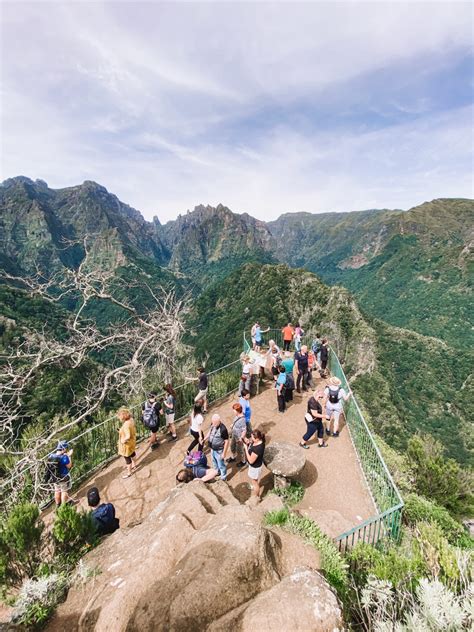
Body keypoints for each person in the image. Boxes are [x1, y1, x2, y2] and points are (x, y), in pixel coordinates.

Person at [46, 440, 73, 508]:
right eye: (66, 448)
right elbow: (69, 466)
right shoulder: (64, 457)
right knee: (64, 491)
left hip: (55, 478)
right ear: (63, 448)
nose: (66, 449)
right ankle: (64, 506)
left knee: (57, 490)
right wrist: (69, 456)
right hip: (63, 477)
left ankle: (58, 505)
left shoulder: (51, 456)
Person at [243, 429, 266, 499]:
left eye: (252, 437)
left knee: (255, 482)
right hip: (256, 465)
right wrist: (249, 442)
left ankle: (257, 497)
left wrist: (246, 449)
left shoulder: (258, 449)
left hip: (255, 467)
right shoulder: (259, 441)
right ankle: (254, 486)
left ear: (257, 439)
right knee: (254, 480)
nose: (251, 438)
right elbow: (252, 443)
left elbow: (251, 461)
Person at [206, 414, 229, 481]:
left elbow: (227, 441)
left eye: (215, 423)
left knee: (221, 464)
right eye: (212, 422)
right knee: (214, 462)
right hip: (212, 449)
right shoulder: (213, 424)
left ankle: (223, 477)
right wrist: (204, 439)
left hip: (219, 450)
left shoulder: (223, 429)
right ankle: (217, 472)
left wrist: (224, 453)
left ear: (219, 421)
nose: (213, 424)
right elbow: (210, 432)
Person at [117, 408, 137, 478]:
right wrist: (121, 430)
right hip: (132, 442)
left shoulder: (126, 425)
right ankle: (135, 465)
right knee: (133, 453)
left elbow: (128, 436)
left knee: (127, 459)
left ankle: (129, 472)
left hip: (127, 445)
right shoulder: (131, 420)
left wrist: (123, 441)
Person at [227, 403, 247, 467]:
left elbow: (244, 430)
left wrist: (241, 437)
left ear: (237, 411)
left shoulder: (242, 419)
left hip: (239, 437)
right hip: (234, 434)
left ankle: (243, 461)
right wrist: (233, 425)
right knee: (232, 446)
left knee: (240, 450)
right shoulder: (237, 416)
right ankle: (234, 456)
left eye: (234, 410)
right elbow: (235, 422)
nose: (233, 411)